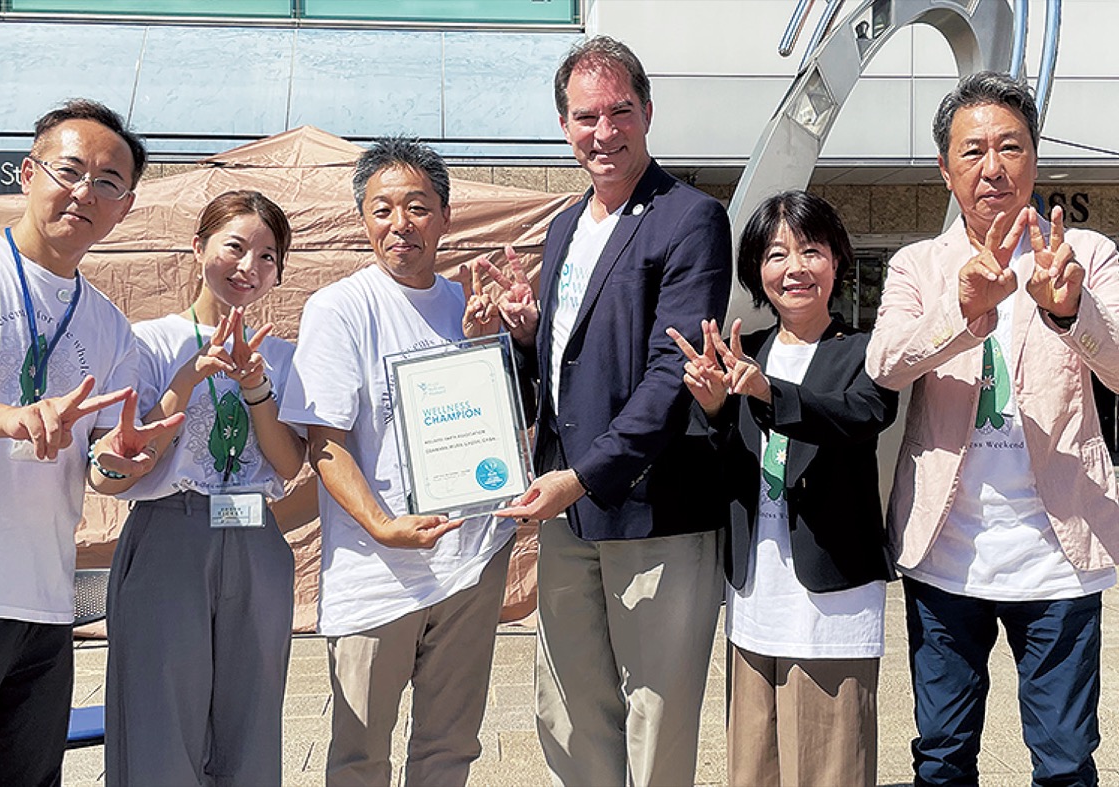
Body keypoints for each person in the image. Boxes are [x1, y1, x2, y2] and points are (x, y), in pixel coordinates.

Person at [480, 35, 731, 786]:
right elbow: (563, 369)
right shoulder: (563, 226)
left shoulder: (689, 218)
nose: (605, 131)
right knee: (569, 710)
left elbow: (671, 373)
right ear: (565, 126)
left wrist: (580, 478)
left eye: (621, 110)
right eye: (587, 116)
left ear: (648, 112)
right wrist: (526, 332)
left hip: (655, 511)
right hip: (569, 514)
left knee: (655, 712)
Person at [866, 71, 1119, 786]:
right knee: (943, 758)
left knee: (1067, 762)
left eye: (1010, 147)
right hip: (947, 551)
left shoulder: (1087, 256)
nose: (993, 166)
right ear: (945, 168)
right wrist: (962, 310)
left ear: (1034, 160)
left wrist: (1071, 313)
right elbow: (885, 363)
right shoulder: (920, 264)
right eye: (972, 150)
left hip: (1059, 555)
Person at [0, 99, 182, 787]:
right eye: (70, 170)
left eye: (107, 183)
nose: (84, 192)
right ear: (29, 173)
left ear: (124, 208)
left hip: (41, 603)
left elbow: (100, 467)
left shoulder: (108, 324)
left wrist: (121, 460)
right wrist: (7, 417)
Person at [277, 137, 516, 786]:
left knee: (449, 746)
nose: (399, 223)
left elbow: (496, 419)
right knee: (359, 751)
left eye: (416, 206)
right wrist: (383, 524)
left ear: (444, 215)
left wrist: (502, 338)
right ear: (363, 219)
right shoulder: (339, 308)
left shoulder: (464, 304)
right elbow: (324, 442)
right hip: (375, 566)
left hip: (469, 559)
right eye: (382, 209)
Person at [669, 191, 897, 787]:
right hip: (754, 592)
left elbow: (859, 416)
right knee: (754, 767)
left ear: (837, 261)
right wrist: (716, 408)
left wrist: (769, 394)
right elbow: (716, 467)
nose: (794, 268)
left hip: (831, 595)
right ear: (756, 271)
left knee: (829, 767)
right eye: (776, 254)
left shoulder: (866, 351)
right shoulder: (748, 353)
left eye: (811, 251)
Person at [97, 191, 305, 785]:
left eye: (268, 257)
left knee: (254, 710)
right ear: (198, 248)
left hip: (255, 536)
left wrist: (257, 387)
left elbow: (288, 465)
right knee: (160, 708)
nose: (249, 267)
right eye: (235, 247)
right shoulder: (150, 341)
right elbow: (135, 455)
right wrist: (191, 375)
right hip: (170, 530)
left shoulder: (283, 355)